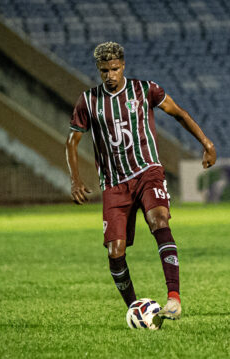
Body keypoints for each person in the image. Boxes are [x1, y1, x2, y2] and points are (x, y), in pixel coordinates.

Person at [65, 42, 216, 325]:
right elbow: (72, 142)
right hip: (114, 183)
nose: (110, 75)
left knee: (159, 220)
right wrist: (75, 180)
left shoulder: (145, 90)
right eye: (104, 71)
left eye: (114, 69)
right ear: (98, 70)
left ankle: (174, 299)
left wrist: (206, 143)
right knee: (115, 251)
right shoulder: (88, 101)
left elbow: (179, 113)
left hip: (147, 171)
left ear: (123, 66)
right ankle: (135, 309)